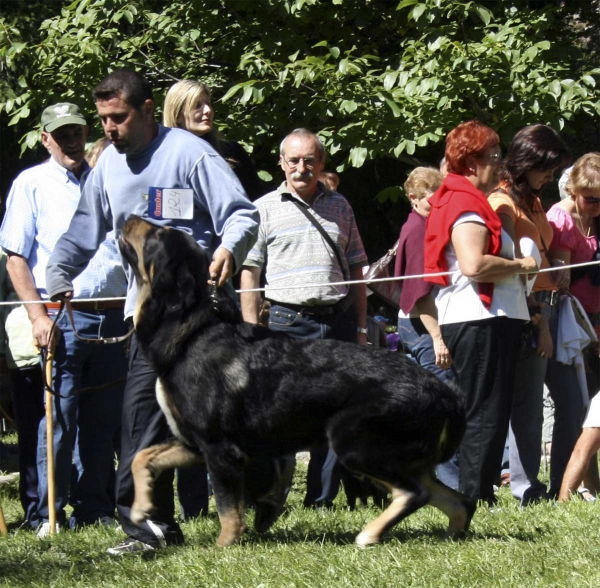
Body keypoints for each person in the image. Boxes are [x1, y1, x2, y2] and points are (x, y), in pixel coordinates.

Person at [45, 70, 259, 554]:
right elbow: (82, 231)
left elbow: (242, 213)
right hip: (147, 321)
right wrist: (59, 274)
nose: (108, 129)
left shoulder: (190, 153)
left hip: (202, 315)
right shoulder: (107, 169)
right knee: (141, 417)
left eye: (118, 118)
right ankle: (150, 529)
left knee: (220, 419)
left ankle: (259, 496)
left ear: (145, 111)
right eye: (103, 119)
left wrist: (230, 248)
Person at [0, 103, 128, 537]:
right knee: (58, 420)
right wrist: (37, 315)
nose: (71, 140)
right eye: (61, 133)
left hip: (113, 317)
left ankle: (95, 509)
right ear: (45, 138)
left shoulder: (109, 179)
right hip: (60, 319)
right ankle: (46, 515)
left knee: (102, 424)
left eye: (76, 131)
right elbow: (16, 258)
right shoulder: (31, 184)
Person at [240, 128, 368, 509]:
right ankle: (272, 498)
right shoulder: (262, 209)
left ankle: (321, 501)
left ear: (321, 163)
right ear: (281, 163)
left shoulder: (341, 206)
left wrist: (361, 328)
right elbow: (250, 273)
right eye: (293, 160)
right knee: (282, 414)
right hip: (286, 322)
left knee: (336, 411)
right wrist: (251, 333)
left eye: (309, 160)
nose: (301, 168)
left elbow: (358, 269)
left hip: (337, 319)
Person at [424, 120, 538, 505]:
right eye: (493, 157)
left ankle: (478, 492)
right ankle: (473, 497)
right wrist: (521, 266)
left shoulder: (459, 198)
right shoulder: (464, 202)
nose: (500, 165)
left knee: (487, 409)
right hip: (478, 318)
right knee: (485, 412)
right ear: (471, 163)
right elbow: (473, 265)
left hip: (482, 318)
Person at [488, 124, 576, 505]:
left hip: (554, 308)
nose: (551, 176)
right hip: (528, 312)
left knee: (570, 402)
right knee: (526, 406)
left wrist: (558, 261)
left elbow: (541, 249)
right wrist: (538, 321)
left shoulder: (534, 199)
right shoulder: (501, 200)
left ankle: (562, 486)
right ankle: (526, 489)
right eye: (547, 168)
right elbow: (509, 259)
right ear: (527, 162)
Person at [393, 166, 458, 489]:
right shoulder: (418, 230)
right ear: (415, 198)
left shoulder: (420, 225)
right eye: (434, 199)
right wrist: (438, 339)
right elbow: (420, 296)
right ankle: (453, 486)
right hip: (422, 325)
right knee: (444, 401)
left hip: (418, 324)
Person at [548, 152, 600, 501]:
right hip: (568, 324)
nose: (597, 205)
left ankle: (590, 484)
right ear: (574, 188)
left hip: (596, 324)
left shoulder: (597, 220)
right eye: (591, 198)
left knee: (593, 406)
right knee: (580, 407)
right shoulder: (560, 218)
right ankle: (568, 488)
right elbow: (561, 280)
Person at [163, 79, 264, 199]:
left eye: (208, 103)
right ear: (178, 115)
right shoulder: (165, 160)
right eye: (197, 105)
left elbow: (256, 201)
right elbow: (169, 213)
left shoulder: (232, 152)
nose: (208, 110)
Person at [0, 250, 44, 528]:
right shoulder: (7, 253)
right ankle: (35, 509)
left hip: (63, 342)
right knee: (31, 431)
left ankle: (69, 503)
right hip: (22, 348)